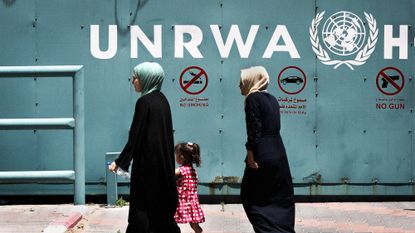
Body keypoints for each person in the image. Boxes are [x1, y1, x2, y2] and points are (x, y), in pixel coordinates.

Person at [108, 62, 180, 233]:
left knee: (141, 212)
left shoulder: (144, 102)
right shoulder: (163, 100)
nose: (133, 81)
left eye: (136, 77)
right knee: (160, 213)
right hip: (163, 167)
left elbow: (135, 136)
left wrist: (120, 162)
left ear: (147, 79)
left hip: (147, 169)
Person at [239, 66, 295, 233]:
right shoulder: (272, 99)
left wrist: (250, 152)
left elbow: (254, 129)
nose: (240, 85)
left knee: (250, 196)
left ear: (251, 81)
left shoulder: (252, 99)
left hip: (261, 153)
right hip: (278, 150)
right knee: (277, 197)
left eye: (242, 82)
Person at [174, 142, 205, 233]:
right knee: (194, 224)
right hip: (192, 202)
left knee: (171, 221)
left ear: (181, 156)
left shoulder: (180, 170)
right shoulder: (193, 171)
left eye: (176, 155)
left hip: (181, 201)